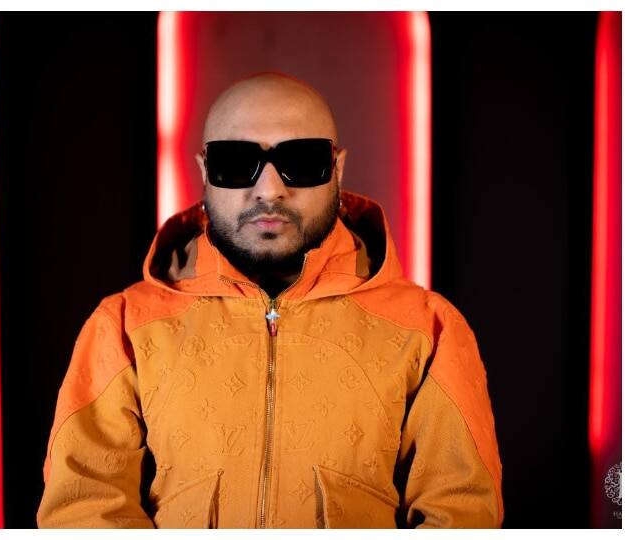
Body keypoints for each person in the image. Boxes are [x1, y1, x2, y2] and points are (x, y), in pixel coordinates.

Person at [37, 72, 503, 528]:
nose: (270, 189)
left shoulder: (429, 328)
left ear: (338, 169)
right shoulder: (124, 325)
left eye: (302, 160)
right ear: (204, 171)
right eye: (236, 162)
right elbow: (85, 508)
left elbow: (461, 515)